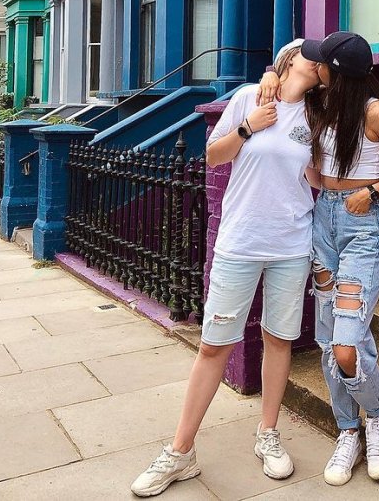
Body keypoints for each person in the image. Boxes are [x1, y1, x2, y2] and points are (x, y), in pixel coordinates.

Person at [131, 40, 321, 497]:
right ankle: (180, 451)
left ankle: (268, 432)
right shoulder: (248, 98)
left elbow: (317, 178)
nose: (320, 62)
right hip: (239, 243)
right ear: (289, 59)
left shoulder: (320, 117)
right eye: (311, 54)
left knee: (279, 340)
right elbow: (214, 156)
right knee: (215, 345)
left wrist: (371, 191)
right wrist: (249, 128)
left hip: (292, 244)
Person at [259, 32, 379, 487]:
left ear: (338, 70)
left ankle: (378, 414)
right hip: (322, 224)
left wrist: (373, 191)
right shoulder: (323, 103)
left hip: (362, 229)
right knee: (330, 337)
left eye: (321, 63)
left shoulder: (376, 112)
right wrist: (270, 75)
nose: (314, 67)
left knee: (348, 343)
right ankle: (348, 430)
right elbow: (283, 69)